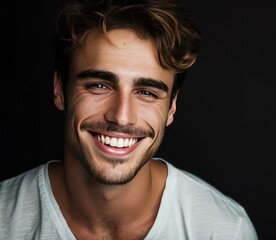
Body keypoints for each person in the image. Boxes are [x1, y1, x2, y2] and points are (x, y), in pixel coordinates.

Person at [0, 0, 258, 239]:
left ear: (171, 108)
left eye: (146, 92)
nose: (121, 116)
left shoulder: (224, 230)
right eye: (99, 85)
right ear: (59, 89)